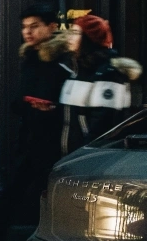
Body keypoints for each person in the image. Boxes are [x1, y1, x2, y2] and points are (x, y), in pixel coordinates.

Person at [0, 4, 72, 241]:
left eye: (34, 26)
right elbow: (19, 101)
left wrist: (51, 108)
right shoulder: (30, 60)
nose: (27, 32)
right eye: (24, 27)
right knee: (12, 196)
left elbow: (71, 106)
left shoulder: (63, 62)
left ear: (51, 27)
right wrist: (27, 104)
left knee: (52, 206)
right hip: (30, 141)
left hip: (54, 146)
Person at [60, 14, 141, 153]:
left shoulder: (108, 73)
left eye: (75, 33)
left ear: (88, 38)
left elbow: (103, 125)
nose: (69, 37)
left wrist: (83, 154)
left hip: (87, 158)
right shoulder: (78, 70)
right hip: (71, 156)